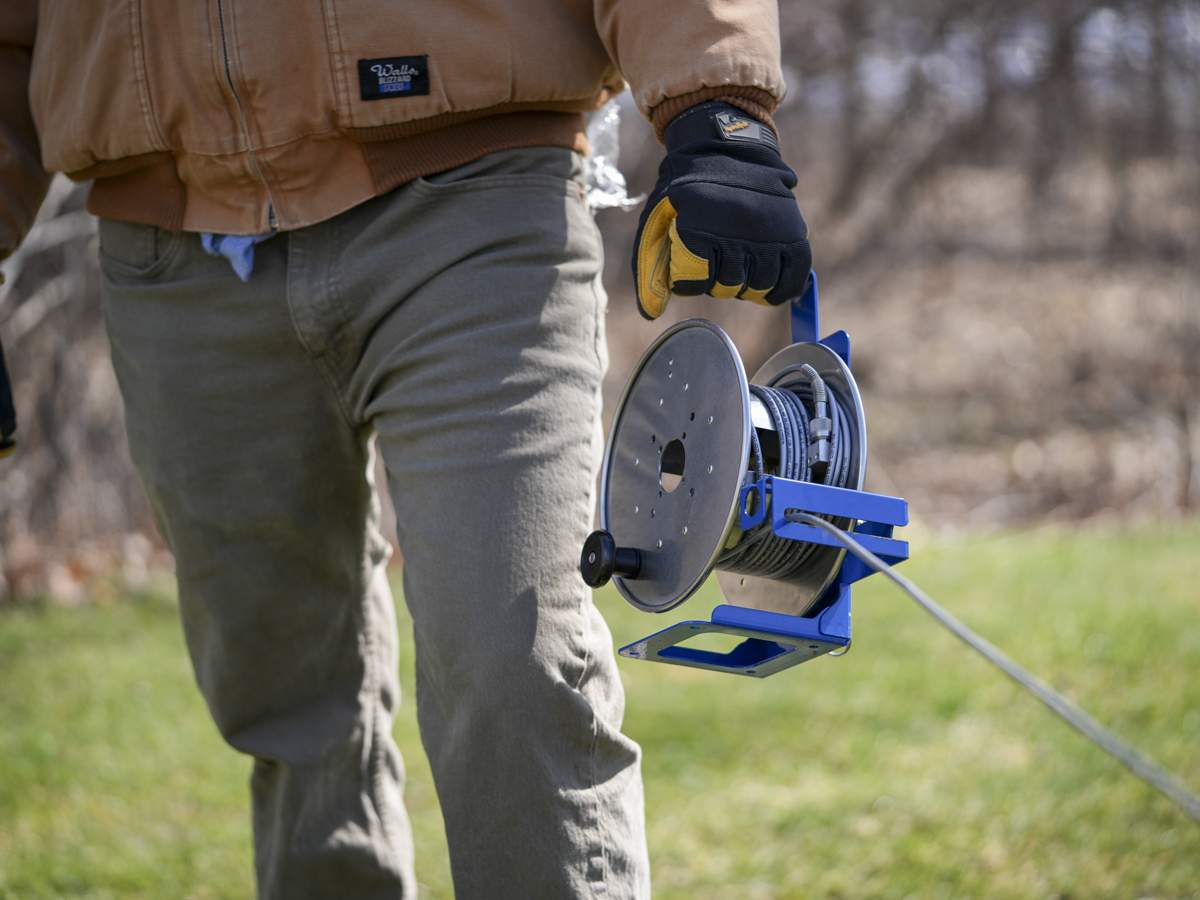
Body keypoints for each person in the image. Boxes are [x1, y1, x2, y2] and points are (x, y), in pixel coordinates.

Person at [0, 1, 811, 897]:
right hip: (172, 251)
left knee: (513, 659)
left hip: (471, 198)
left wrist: (715, 101)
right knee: (290, 708)